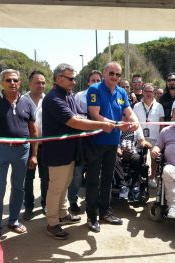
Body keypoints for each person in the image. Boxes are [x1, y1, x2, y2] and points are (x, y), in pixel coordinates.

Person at [42, 63, 115, 240]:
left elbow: (78, 115)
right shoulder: (53, 99)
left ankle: (62, 213)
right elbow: (74, 122)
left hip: (69, 150)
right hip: (57, 152)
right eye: (71, 78)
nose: (74, 82)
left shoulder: (68, 95)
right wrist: (103, 125)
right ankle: (52, 223)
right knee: (56, 187)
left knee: (65, 184)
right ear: (59, 79)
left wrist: (90, 120)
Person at [0, 69, 38, 240]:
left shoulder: (27, 103)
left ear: (20, 83)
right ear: (2, 83)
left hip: (22, 151)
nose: (12, 83)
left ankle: (13, 220)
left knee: (18, 187)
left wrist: (34, 154)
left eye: (15, 80)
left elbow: (34, 132)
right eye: (8, 80)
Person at [86, 61, 139, 233]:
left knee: (108, 179)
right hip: (96, 142)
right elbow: (95, 114)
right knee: (94, 180)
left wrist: (135, 121)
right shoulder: (94, 90)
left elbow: (128, 112)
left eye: (118, 74)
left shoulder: (122, 91)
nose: (115, 77)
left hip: (112, 143)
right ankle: (92, 216)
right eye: (112, 74)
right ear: (104, 73)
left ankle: (105, 212)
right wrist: (118, 124)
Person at [68, 70, 103, 214]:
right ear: (88, 82)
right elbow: (73, 115)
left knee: (96, 172)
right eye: (93, 80)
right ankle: (72, 200)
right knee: (77, 173)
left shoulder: (104, 95)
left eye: (98, 80)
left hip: (98, 137)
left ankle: (93, 201)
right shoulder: (78, 96)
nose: (95, 83)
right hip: (81, 138)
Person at [22, 70, 49, 220]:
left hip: (45, 146)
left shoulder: (48, 100)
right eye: (38, 82)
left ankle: (45, 204)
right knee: (28, 178)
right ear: (30, 83)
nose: (41, 85)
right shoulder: (22, 100)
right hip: (27, 146)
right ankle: (28, 207)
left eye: (43, 82)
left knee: (45, 177)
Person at [133, 83, 164, 188]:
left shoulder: (159, 106)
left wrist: (161, 138)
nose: (148, 93)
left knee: (154, 158)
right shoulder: (137, 106)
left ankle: (153, 177)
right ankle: (138, 177)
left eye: (151, 91)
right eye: (146, 91)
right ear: (142, 92)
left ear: (154, 93)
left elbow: (162, 123)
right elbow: (134, 122)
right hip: (140, 137)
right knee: (138, 158)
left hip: (155, 137)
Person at [115, 127, 151, 200]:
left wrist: (145, 143)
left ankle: (135, 187)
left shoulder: (136, 127)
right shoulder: (117, 126)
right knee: (114, 159)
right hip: (119, 151)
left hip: (132, 151)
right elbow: (113, 140)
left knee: (138, 158)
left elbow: (141, 141)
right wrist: (117, 149)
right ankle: (123, 186)